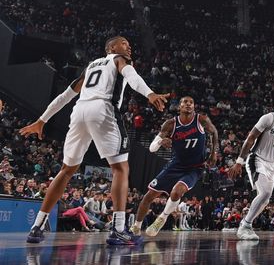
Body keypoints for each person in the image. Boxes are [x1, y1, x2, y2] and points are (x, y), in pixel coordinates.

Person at [19, 36, 168, 245]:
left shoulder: (90, 66)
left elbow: (65, 96)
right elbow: (131, 75)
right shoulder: (118, 60)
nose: (129, 47)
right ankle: (117, 229)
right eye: (124, 43)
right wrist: (150, 93)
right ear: (112, 48)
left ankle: (37, 226)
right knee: (120, 168)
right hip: (102, 109)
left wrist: (42, 120)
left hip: (79, 111)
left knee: (66, 170)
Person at [132, 96, 218, 236]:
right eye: (185, 102)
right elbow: (152, 148)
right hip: (175, 165)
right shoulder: (170, 124)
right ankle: (136, 227)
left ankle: (163, 218)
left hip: (195, 167)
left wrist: (214, 152)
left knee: (177, 192)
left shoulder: (201, 120)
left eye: (191, 102)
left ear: (194, 106)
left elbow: (214, 132)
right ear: (179, 107)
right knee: (149, 196)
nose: (188, 104)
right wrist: (161, 142)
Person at [228, 92, 274, 240]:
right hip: (257, 159)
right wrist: (239, 161)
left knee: (265, 199)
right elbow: (250, 138)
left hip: (272, 165)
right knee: (266, 193)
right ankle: (245, 225)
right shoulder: (269, 118)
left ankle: (247, 224)